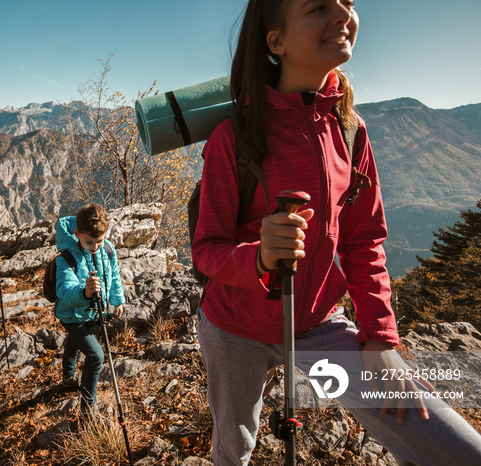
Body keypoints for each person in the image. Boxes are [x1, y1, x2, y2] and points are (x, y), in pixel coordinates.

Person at [191, 1, 481, 464]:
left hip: (317, 327)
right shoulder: (234, 136)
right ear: (276, 41)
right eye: (319, 7)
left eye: (348, 2)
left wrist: (380, 339)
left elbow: (364, 238)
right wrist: (260, 257)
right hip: (232, 328)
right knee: (234, 447)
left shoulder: (350, 130)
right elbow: (206, 249)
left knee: (448, 445)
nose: (343, 15)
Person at [54, 203, 125, 416]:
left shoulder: (108, 249)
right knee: (95, 356)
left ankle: (68, 378)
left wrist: (117, 300)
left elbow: (113, 276)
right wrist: (84, 293)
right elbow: (63, 290)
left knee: (76, 343)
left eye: (99, 241)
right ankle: (87, 409)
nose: (95, 246)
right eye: (89, 241)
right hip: (71, 315)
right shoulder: (66, 257)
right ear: (77, 234)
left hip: (94, 313)